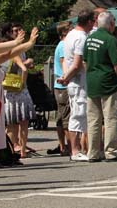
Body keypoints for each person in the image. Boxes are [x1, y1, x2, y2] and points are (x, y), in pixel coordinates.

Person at [83, 11, 117, 162]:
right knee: (111, 118)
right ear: (111, 24)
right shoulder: (110, 39)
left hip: (92, 82)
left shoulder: (89, 39)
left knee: (93, 120)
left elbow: (85, 61)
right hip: (108, 83)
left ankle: (93, 153)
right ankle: (111, 151)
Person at [57, 9, 94, 162]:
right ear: (89, 22)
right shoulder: (81, 37)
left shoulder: (71, 34)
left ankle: (78, 149)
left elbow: (66, 60)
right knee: (78, 115)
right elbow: (78, 63)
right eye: (93, 21)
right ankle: (75, 149)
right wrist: (67, 77)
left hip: (74, 80)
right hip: (78, 82)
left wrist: (66, 75)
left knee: (78, 114)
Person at [0, 26, 39, 159]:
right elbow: (8, 53)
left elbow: (8, 54)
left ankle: (6, 154)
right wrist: (16, 42)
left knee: (7, 127)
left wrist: (28, 43)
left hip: (0, 98)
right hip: (6, 96)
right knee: (13, 125)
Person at [48, 21, 72, 156]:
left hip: (60, 85)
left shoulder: (62, 45)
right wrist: (66, 76)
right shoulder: (63, 45)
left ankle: (64, 146)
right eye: (70, 29)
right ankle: (69, 146)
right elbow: (63, 62)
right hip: (63, 85)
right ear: (64, 32)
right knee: (66, 117)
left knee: (61, 116)